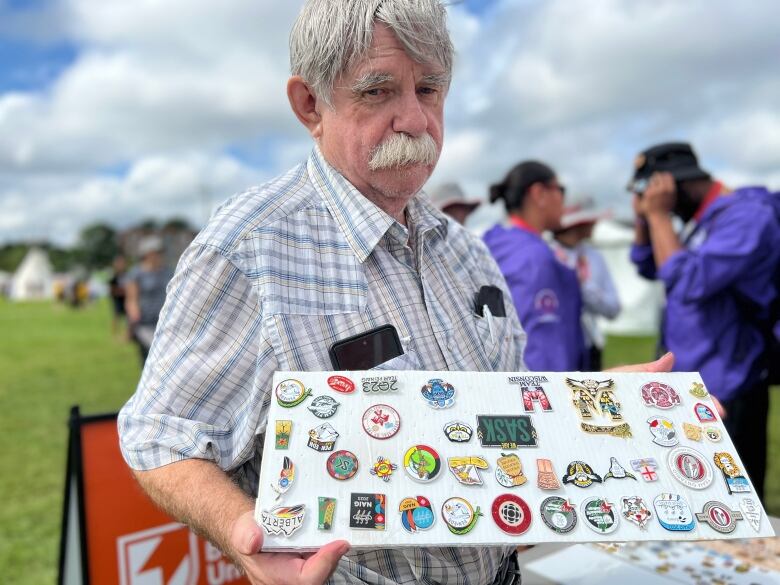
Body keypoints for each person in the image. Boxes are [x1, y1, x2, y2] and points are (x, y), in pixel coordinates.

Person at [119, 3, 672, 584]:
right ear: (310, 104)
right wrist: (242, 532)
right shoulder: (249, 248)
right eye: (378, 91)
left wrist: (599, 414)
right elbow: (159, 433)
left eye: (429, 88)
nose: (415, 119)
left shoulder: (466, 251)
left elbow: (499, 418)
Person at [628, 141, 780, 500]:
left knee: (733, 508)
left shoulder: (746, 216)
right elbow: (652, 265)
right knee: (692, 498)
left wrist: (659, 216)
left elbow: (687, 279)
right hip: (694, 385)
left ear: (676, 184)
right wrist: (645, 218)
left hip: (729, 387)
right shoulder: (706, 222)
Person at [483, 161, 586, 371]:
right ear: (539, 193)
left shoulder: (494, 242)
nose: (563, 201)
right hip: (541, 388)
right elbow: (542, 343)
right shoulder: (534, 258)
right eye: (561, 190)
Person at [551, 196, 621, 370]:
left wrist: (583, 287)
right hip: (554, 347)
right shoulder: (546, 253)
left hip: (590, 348)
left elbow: (613, 308)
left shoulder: (594, 257)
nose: (595, 223)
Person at [124, 236, 172, 364]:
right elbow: (131, 299)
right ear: (147, 254)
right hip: (145, 323)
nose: (159, 256)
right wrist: (134, 318)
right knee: (153, 357)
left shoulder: (168, 272)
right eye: (156, 252)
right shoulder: (136, 273)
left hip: (165, 322)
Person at [108, 255, 128, 336]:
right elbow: (112, 290)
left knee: (128, 318)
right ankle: (115, 333)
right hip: (117, 300)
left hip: (126, 300)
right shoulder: (114, 276)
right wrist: (122, 291)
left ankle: (126, 333)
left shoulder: (128, 275)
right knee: (116, 317)